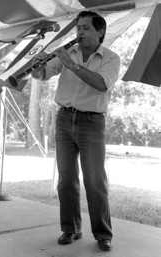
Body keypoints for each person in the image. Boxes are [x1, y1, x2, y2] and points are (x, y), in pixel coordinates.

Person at [32, 11, 120, 251]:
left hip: (92, 122)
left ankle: (102, 233)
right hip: (64, 119)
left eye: (85, 28)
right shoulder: (68, 52)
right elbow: (43, 74)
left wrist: (72, 66)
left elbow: (102, 84)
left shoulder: (111, 58)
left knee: (95, 181)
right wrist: (36, 67)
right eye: (78, 28)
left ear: (100, 31)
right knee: (66, 180)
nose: (79, 32)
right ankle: (70, 229)